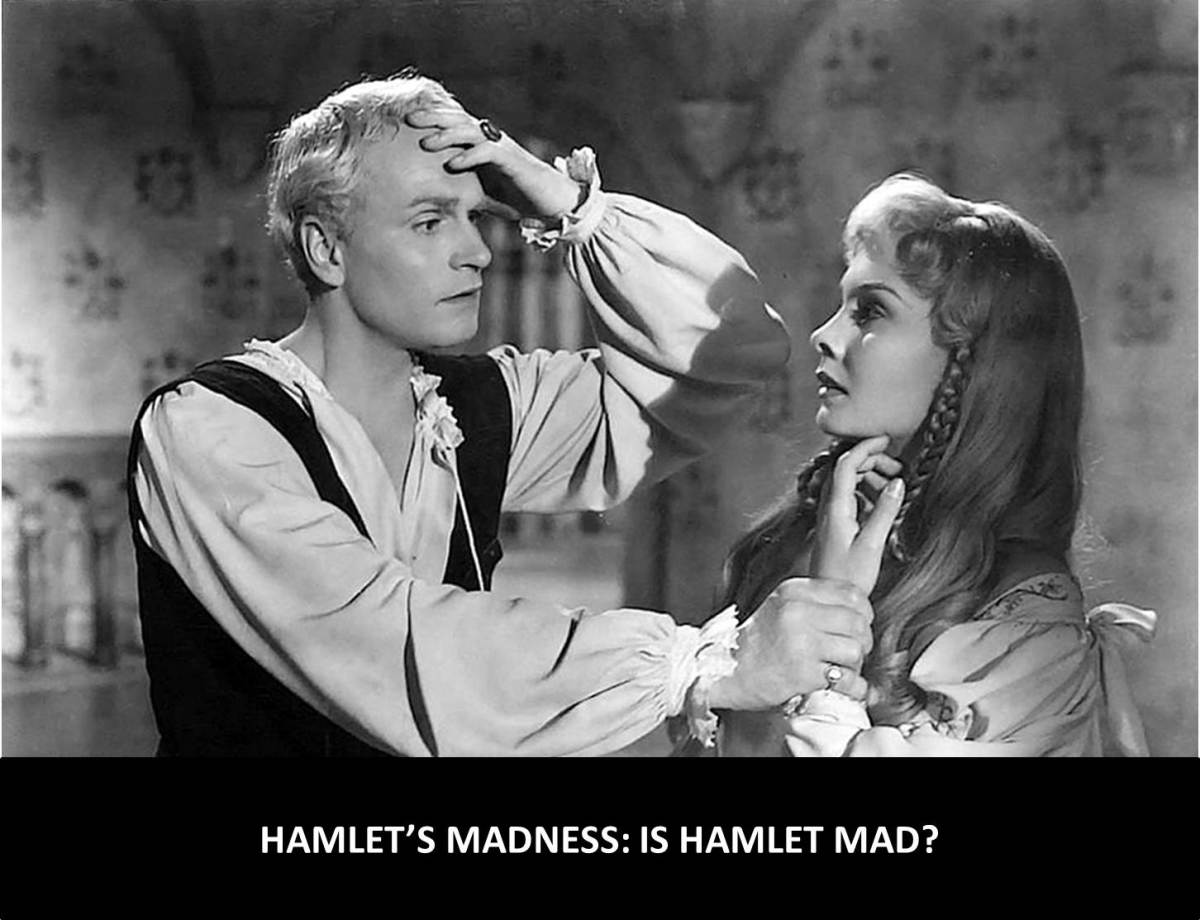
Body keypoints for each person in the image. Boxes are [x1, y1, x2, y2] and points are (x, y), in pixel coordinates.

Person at [127, 72, 876, 757]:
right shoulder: (208, 431)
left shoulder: (480, 406)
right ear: (326, 249)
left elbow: (734, 351)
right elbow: (395, 642)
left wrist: (574, 209)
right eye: (430, 222)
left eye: (478, 216)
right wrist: (702, 668)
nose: (477, 252)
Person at [713, 173, 1156, 757]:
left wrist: (831, 631)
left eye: (870, 311)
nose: (823, 335)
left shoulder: (1025, 627)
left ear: (970, 362)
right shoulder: (807, 537)